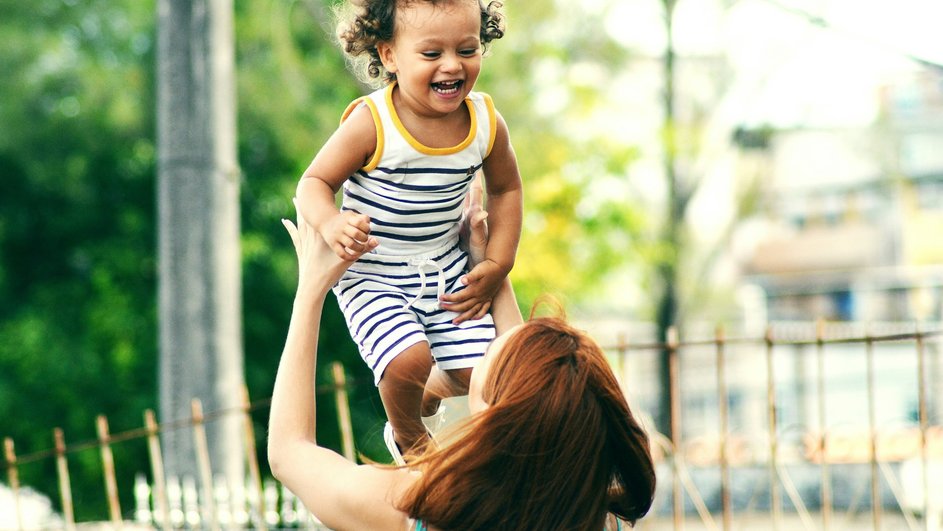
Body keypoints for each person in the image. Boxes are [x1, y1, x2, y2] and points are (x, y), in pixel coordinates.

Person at [268, 198, 657, 530]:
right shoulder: (599, 516)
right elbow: (532, 397)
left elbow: (289, 452)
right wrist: (486, 267)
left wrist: (311, 290)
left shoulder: (416, 509)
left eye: (492, 352)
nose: (490, 342)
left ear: (493, 415)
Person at [294, 0, 523, 460]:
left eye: (467, 48)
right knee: (407, 359)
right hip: (371, 272)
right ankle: (409, 439)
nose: (453, 65)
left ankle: (426, 389)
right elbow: (313, 183)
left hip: (443, 267)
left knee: (478, 374)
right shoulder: (373, 122)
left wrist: (499, 261)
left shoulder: (484, 123)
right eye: (432, 53)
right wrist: (332, 221)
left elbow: (507, 189)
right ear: (390, 55)